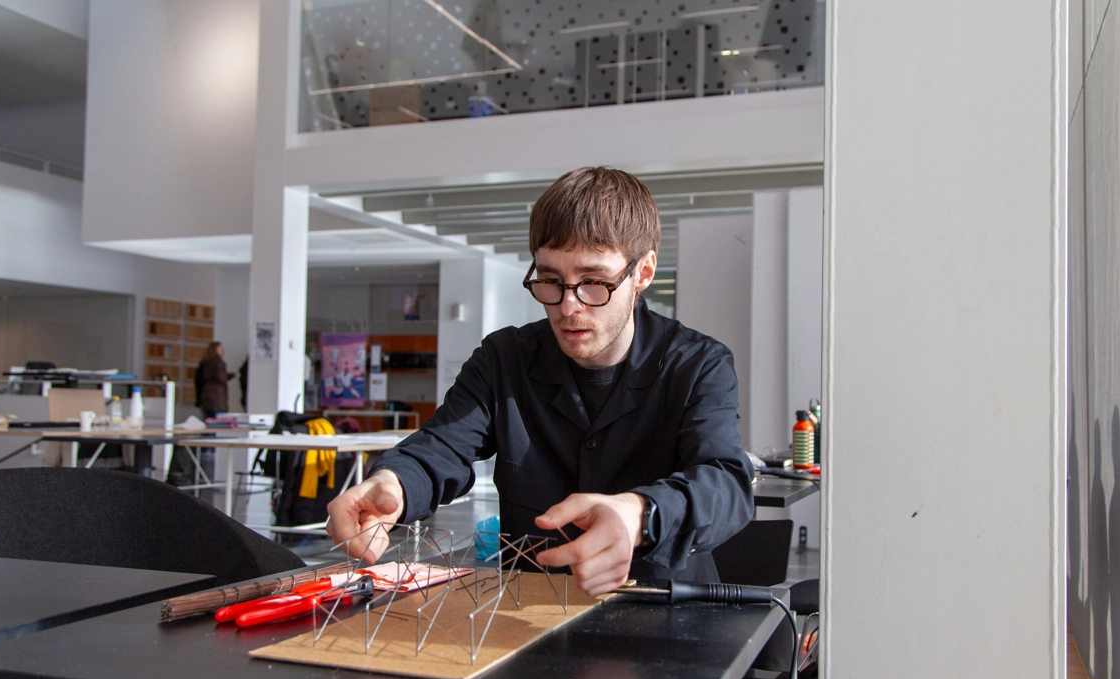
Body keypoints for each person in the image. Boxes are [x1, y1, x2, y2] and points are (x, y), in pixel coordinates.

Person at [326, 167, 754, 596]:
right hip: (532, 612)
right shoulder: (504, 360)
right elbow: (442, 447)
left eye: (593, 282)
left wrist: (640, 513)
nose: (568, 306)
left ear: (642, 272)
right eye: (550, 280)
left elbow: (724, 482)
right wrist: (392, 483)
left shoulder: (698, 364)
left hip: (668, 616)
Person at [196, 341, 235, 419]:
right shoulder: (218, 362)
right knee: (217, 423)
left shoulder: (204, 363)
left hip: (206, 396)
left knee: (207, 423)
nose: (223, 350)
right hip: (217, 397)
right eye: (220, 348)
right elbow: (220, 377)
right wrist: (229, 376)